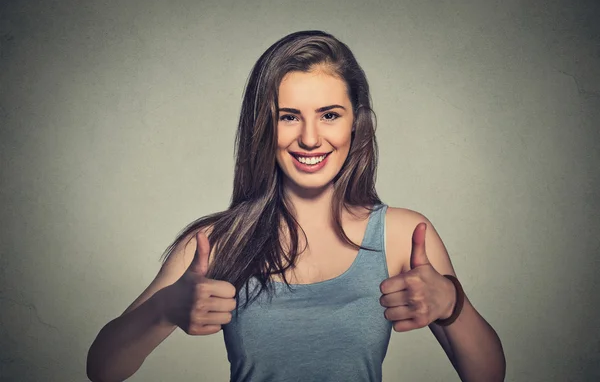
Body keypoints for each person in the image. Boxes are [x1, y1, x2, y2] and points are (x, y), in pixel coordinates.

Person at [87, 30, 505, 382]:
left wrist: (452, 303)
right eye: (288, 116)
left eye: (329, 115)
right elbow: (102, 368)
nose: (309, 138)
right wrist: (164, 309)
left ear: (355, 122)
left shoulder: (403, 235)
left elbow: (488, 375)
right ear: (264, 126)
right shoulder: (216, 243)